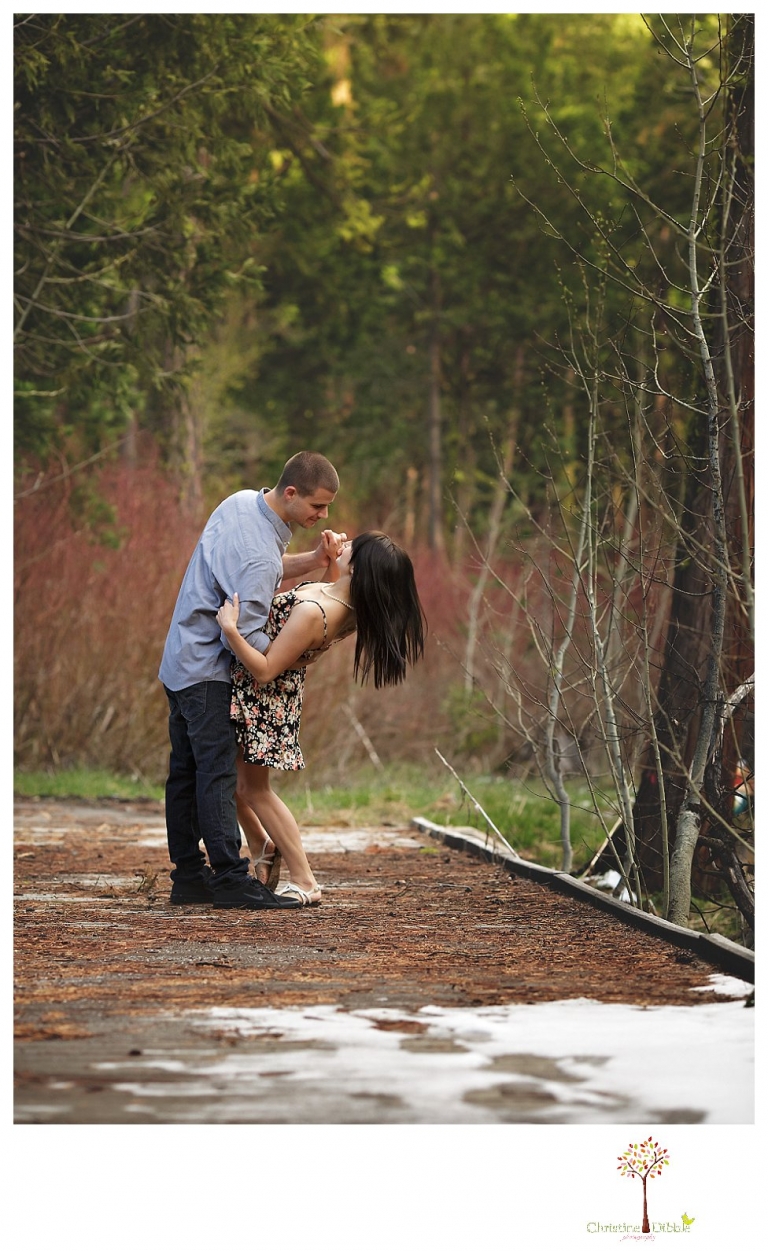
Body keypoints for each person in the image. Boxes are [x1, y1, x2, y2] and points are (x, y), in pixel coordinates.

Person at [158, 451, 347, 910]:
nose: (322, 516)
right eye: (317, 507)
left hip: (179, 660)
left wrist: (316, 560)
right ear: (290, 493)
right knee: (218, 775)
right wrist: (301, 649)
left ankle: (188, 877)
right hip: (208, 671)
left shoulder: (241, 503)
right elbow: (253, 638)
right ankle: (229, 879)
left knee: (184, 775)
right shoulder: (258, 556)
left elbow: (262, 567)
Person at [216, 531, 426, 906]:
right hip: (264, 694)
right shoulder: (340, 599)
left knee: (253, 789)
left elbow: (265, 669)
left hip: (265, 697)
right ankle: (263, 844)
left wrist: (231, 631)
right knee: (229, 777)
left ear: (359, 568)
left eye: (350, 549)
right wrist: (324, 559)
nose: (342, 545)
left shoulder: (317, 613)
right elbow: (322, 594)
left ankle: (305, 879)